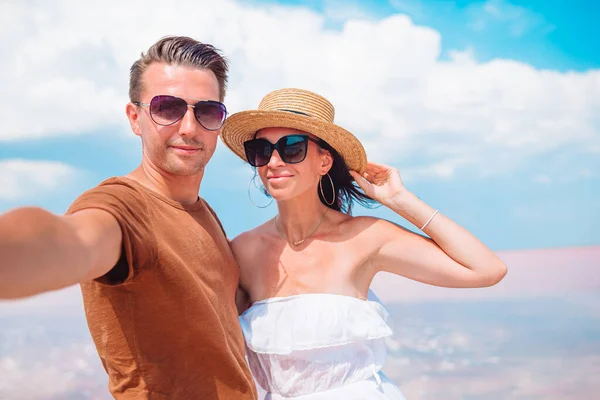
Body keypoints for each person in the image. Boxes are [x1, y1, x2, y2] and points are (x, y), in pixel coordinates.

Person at [0, 36, 257, 400]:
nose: (188, 127)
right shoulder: (123, 208)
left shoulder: (201, 212)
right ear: (135, 118)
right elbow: (68, 241)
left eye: (207, 111)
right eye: (167, 108)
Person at [219, 88, 508, 399]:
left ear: (324, 161)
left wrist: (400, 200)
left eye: (292, 147)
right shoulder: (244, 251)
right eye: (262, 150)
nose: (274, 161)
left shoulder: (365, 237)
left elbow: (486, 269)